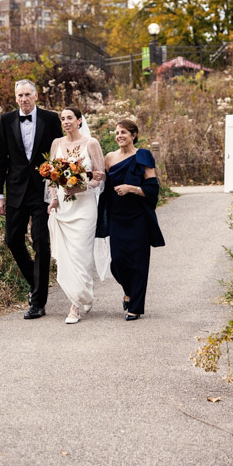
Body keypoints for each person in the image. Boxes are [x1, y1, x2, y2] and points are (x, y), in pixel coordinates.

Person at [0, 80, 63, 319]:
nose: (23, 99)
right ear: (15, 97)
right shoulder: (6, 120)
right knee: (12, 240)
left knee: (41, 243)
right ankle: (37, 283)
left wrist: (59, 187)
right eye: (19, 95)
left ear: (36, 96)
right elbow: (0, 160)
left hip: (43, 191)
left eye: (27, 95)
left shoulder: (51, 119)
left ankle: (38, 301)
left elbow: (60, 154)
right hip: (15, 191)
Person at [100, 118, 165, 320]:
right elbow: (101, 184)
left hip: (138, 217)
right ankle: (128, 292)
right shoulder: (109, 157)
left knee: (138, 263)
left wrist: (132, 189)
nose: (119, 135)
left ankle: (135, 306)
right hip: (116, 217)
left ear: (133, 135)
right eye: (117, 132)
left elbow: (153, 189)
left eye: (124, 132)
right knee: (117, 262)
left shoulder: (143, 155)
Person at [46, 107, 106, 324]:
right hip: (63, 206)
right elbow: (52, 177)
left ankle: (76, 306)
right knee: (66, 257)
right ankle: (84, 294)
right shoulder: (56, 144)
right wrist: (53, 198)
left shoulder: (91, 143)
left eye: (69, 118)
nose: (65, 122)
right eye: (62, 119)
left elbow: (100, 176)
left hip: (85, 206)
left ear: (79, 120)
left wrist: (81, 187)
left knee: (81, 254)